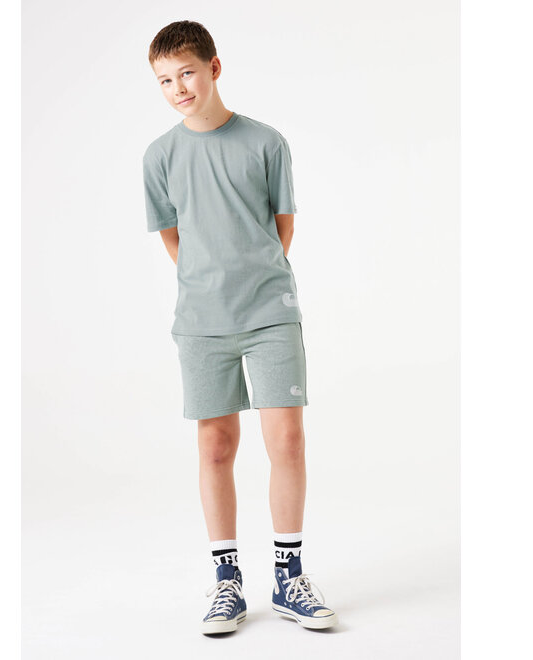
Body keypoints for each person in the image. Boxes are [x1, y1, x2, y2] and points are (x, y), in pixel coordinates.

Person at [143, 20, 338, 635]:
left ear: (214, 68)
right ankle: (227, 582)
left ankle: (289, 576)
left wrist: (253, 279)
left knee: (287, 440)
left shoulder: (266, 142)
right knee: (216, 445)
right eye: (165, 80)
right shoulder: (160, 156)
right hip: (202, 322)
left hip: (269, 313)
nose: (178, 88)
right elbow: (173, 236)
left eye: (187, 73)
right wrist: (210, 284)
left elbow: (282, 225)